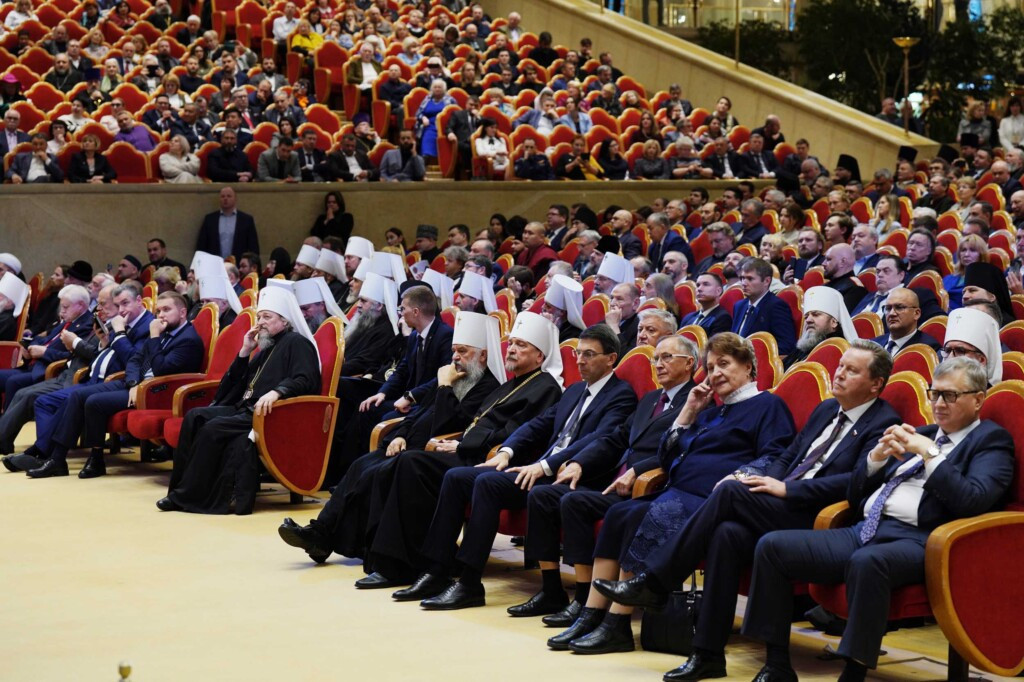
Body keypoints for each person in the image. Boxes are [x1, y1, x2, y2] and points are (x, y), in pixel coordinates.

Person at [597, 341, 902, 680]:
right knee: (726, 535)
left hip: (816, 513)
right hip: (780, 502)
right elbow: (788, 456)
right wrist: (770, 482)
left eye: (851, 370)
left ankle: (656, 580)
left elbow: (856, 482)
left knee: (729, 489)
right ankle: (708, 654)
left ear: (875, 384)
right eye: (840, 366)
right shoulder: (826, 409)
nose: (839, 373)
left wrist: (787, 489)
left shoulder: (883, 421)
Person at [742, 356, 1013, 682]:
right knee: (772, 547)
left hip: (922, 540)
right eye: (934, 394)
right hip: (865, 529)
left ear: (978, 399)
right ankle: (776, 665)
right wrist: (875, 459)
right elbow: (855, 495)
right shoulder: (921, 433)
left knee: (868, 561)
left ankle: (853, 673)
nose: (939, 404)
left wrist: (930, 454)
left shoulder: (990, 441)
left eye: (950, 395)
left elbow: (971, 500)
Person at [550, 332, 796, 653]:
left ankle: (616, 624)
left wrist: (739, 476)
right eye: (711, 367)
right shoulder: (710, 411)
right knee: (618, 513)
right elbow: (667, 458)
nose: (715, 373)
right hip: (678, 490)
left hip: (713, 500)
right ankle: (592, 614)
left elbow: (776, 455)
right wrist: (688, 412)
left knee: (636, 515)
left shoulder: (768, 405)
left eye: (724, 364)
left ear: (748, 366)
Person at [408, 324, 637, 608]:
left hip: (572, 475)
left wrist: (545, 465)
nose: (580, 361)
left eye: (588, 354)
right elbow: (537, 425)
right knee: (457, 477)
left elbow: (598, 439)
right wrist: (507, 451)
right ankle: (437, 569)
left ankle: (469, 583)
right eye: (578, 354)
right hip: (543, 470)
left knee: (487, 483)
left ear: (611, 358)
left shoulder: (621, 394)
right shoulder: (575, 390)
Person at [158, 287, 320, 513]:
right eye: (259, 317)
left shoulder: (297, 342)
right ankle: (178, 490)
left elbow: (306, 378)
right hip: (246, 408)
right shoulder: (267, 346)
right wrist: (245, 351)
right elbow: (236, 384)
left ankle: (189, 497)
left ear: (284, 320)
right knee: (195, 417)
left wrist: (278, 391)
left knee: (212, 428)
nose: (260, 323)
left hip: (270, 413)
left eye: (267, 317)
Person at [23, 291, 203, 479]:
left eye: (167, 310)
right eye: (158, 311)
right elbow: (135, 360)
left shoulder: (188, 339)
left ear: (182, 312)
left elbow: (161, 369)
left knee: (94, 402)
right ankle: (57, 459)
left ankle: (96, 459)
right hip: (136, 385)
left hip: (157, 392)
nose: (161, 315)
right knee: (77, 396)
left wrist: (155, 337)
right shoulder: (163, 331)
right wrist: (133, 382)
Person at [731, 257, 797, 354]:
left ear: (766, 281)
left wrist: (752, 355)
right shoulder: (739, 306)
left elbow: (786, 345)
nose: (744, 283)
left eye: (750, 279)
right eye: (742, 278)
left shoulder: (776, 306)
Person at [782, 286, 856, 370]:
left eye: (816, 315)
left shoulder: (835, 349)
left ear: (833, 322)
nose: (808, 320)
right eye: (806, 316)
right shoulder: (804, 347)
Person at [195, 187, 260, 262]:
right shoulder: (210, 219)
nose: (225, 199)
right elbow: (201, 246)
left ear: (235, 199)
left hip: (238, 265)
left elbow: (253, 247)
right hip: (214, 264)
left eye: (229, 196)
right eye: (222, 196)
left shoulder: (246, 220)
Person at [871, 287, 942, 356]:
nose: (891, 313)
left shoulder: (927, 349)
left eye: (899, 308)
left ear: (916, 313)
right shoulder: (872, 344)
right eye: (888, 308)